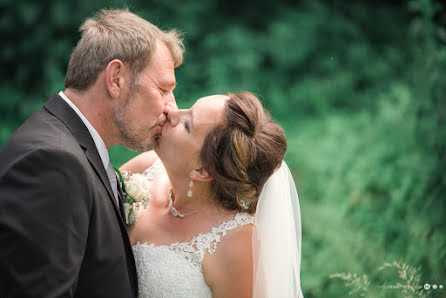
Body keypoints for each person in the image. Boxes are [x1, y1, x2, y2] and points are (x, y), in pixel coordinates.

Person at [0, 9, 183, 297]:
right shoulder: (53, 163)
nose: (170, 107)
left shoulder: (70, 147)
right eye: (163, 89)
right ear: (116, 79)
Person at [121, 91, 303, 297]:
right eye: (189, 108)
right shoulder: (144, 170)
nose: (172, 112)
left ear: (202, 171)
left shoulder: (237, 242)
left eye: (187, 125)